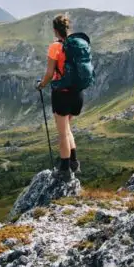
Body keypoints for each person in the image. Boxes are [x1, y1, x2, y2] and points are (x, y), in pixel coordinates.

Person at [37, 13, 82, 181]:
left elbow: (49, 73)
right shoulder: (78, 44)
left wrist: (41, 85)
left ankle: (64, 170)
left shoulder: (55, 47)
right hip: (77, 93)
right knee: (67, 128)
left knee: (62, 133)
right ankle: (74, 162)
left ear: (55, 30)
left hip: (62, 94)